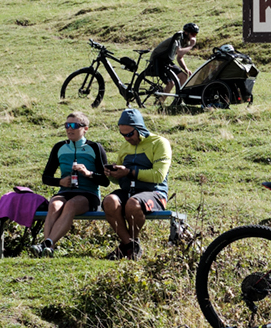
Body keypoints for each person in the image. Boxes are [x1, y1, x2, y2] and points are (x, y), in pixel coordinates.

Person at [32, 111, 108, 256]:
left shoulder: (95, 148)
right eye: (67, 125)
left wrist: (88, 174)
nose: (69, 129)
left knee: (71, 205)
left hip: (88, 195)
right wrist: (60, 182)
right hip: (65, 192)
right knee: (54, 205)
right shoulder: (59, 147)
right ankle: (48, 248)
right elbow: (46, 177)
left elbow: (105, 181)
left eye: (74, 125)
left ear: (85, 128)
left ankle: (46, 245)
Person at [101, 107, 171, 260]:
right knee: (109, 201)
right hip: (129, 191)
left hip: (155, 192)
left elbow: (158, 176)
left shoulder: (159, 143)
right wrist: (112, 175)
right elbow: (120, 178)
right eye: (123, 134)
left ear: (140, 128)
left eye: (130, 134)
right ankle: (130, 246)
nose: (127, 138)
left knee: (132, 204)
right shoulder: (125, 146)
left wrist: (129, 172)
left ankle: (127, 247)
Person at [147, 22, 200, 94]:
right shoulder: (177, 38)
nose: (194, 37)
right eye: (193, 34)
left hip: (166, 60)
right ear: (186, 32)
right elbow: (180, 52)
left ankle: (178, 99)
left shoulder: (186, 41)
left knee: (183, 76)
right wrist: (191, 46)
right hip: (158, 59)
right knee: (171, 83)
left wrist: (185, 69)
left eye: (195, 34)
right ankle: (161, 102)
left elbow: (180, 57)